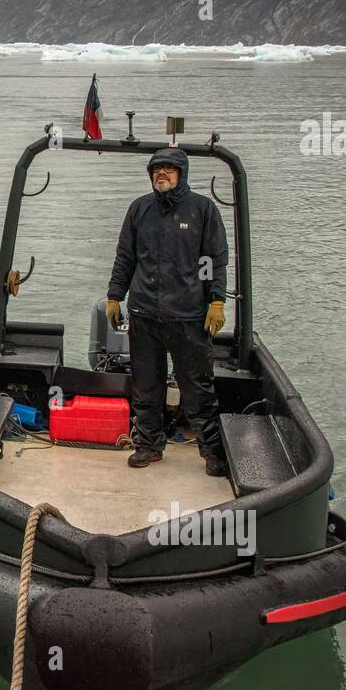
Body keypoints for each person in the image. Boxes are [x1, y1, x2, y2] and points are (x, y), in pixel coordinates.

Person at [106, 148, 230, 477]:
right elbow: (125, 257)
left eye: (169, 169)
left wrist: (217, 300)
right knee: (146, 386)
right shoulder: (139, 209)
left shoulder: (203, 209)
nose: (162, 173)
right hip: (144, 313)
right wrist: (115, 295)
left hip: (188, 316)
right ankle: (148, 444)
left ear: (182, 173)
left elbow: (215, 259)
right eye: (157, 168)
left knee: (197, 387)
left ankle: (212, 451)